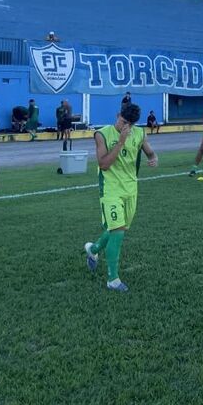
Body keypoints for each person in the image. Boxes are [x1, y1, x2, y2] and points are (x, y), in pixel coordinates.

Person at [84, 103, 158, 292]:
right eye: (123, 122)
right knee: (117, 230)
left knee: (118, 229)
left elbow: (149, 150)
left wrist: (153, 157)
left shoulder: (139, 134)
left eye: (130, 125)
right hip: (110, 189)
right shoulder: (102, 134)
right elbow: (104, 164)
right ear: (118, 115)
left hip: (131, 189)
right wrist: (121, 141)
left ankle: (93, 250)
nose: (126, 128)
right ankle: (113, 279)